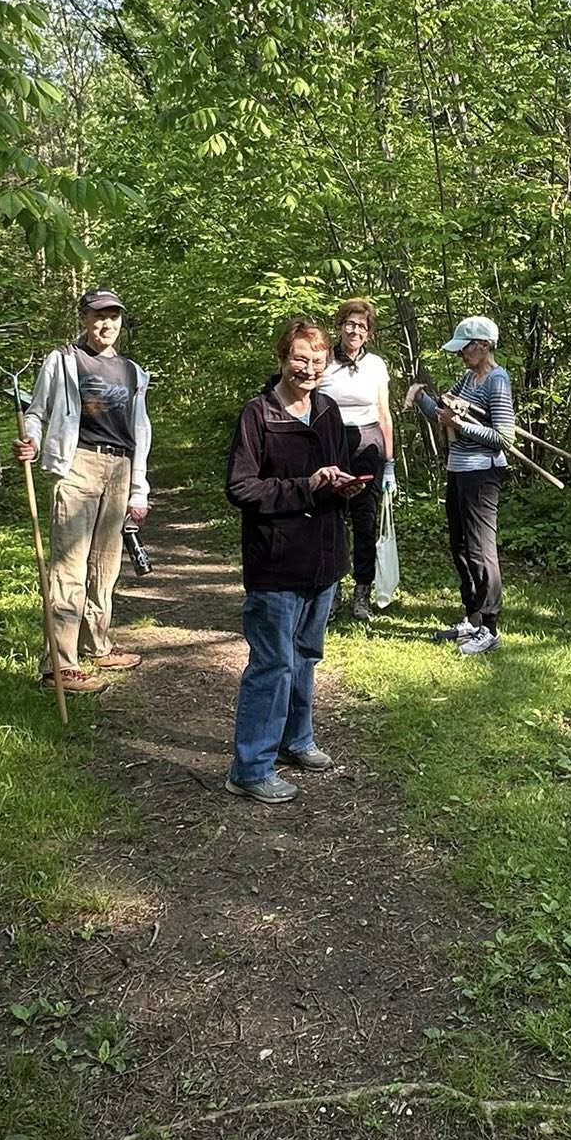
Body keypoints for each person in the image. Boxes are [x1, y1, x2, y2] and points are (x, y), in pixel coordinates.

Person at [223, 316, 370, 803]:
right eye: (299, 359)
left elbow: (336, 470)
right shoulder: (258, 414)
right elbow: (241, 488)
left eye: (317, 360)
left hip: (323, 556)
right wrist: (304, 486)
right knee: (273, 663)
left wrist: (343, 485)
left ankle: (295, 739)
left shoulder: (327, 410)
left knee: (306, 655)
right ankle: (250, 768)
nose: (308, 369)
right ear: (282, 359)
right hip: (276, 560)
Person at [13, 288, 153, 694]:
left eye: (113, 317)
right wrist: (32, 441)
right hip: (78, 464)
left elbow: (140, 431)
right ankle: (59, 666)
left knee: (105, 566)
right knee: (70, 567)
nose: (106, 324)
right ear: (84, 319)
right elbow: (37, 411)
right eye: (98, 316)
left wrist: (139, 488)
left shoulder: (132, 371)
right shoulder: (63, 360)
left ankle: (97, 643)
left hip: (120, 467)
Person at [405, 315, 514, 656]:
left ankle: (490, 629)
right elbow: (444, 415)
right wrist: (420, 396)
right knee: (461, 546)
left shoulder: (496, 380)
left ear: (484, 345)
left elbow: (504, 438)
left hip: (482, 474)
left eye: (464, 348)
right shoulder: (468, 378)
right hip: (459, 469)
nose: (460, 354)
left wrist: (461, 426)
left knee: (481, 549)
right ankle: (474, 617)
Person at [315, 298, 396, 621]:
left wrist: (389, 464)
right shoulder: (324, 361)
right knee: (331, 519)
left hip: (367, 445)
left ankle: (362, 591)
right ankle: (331, 591)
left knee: (365, 520)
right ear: (339, 326)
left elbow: (384, 414)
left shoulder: (376, 365)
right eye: (350, 323)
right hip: (331, 444)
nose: (355, 330)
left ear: (369, 332)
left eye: (362, 326)